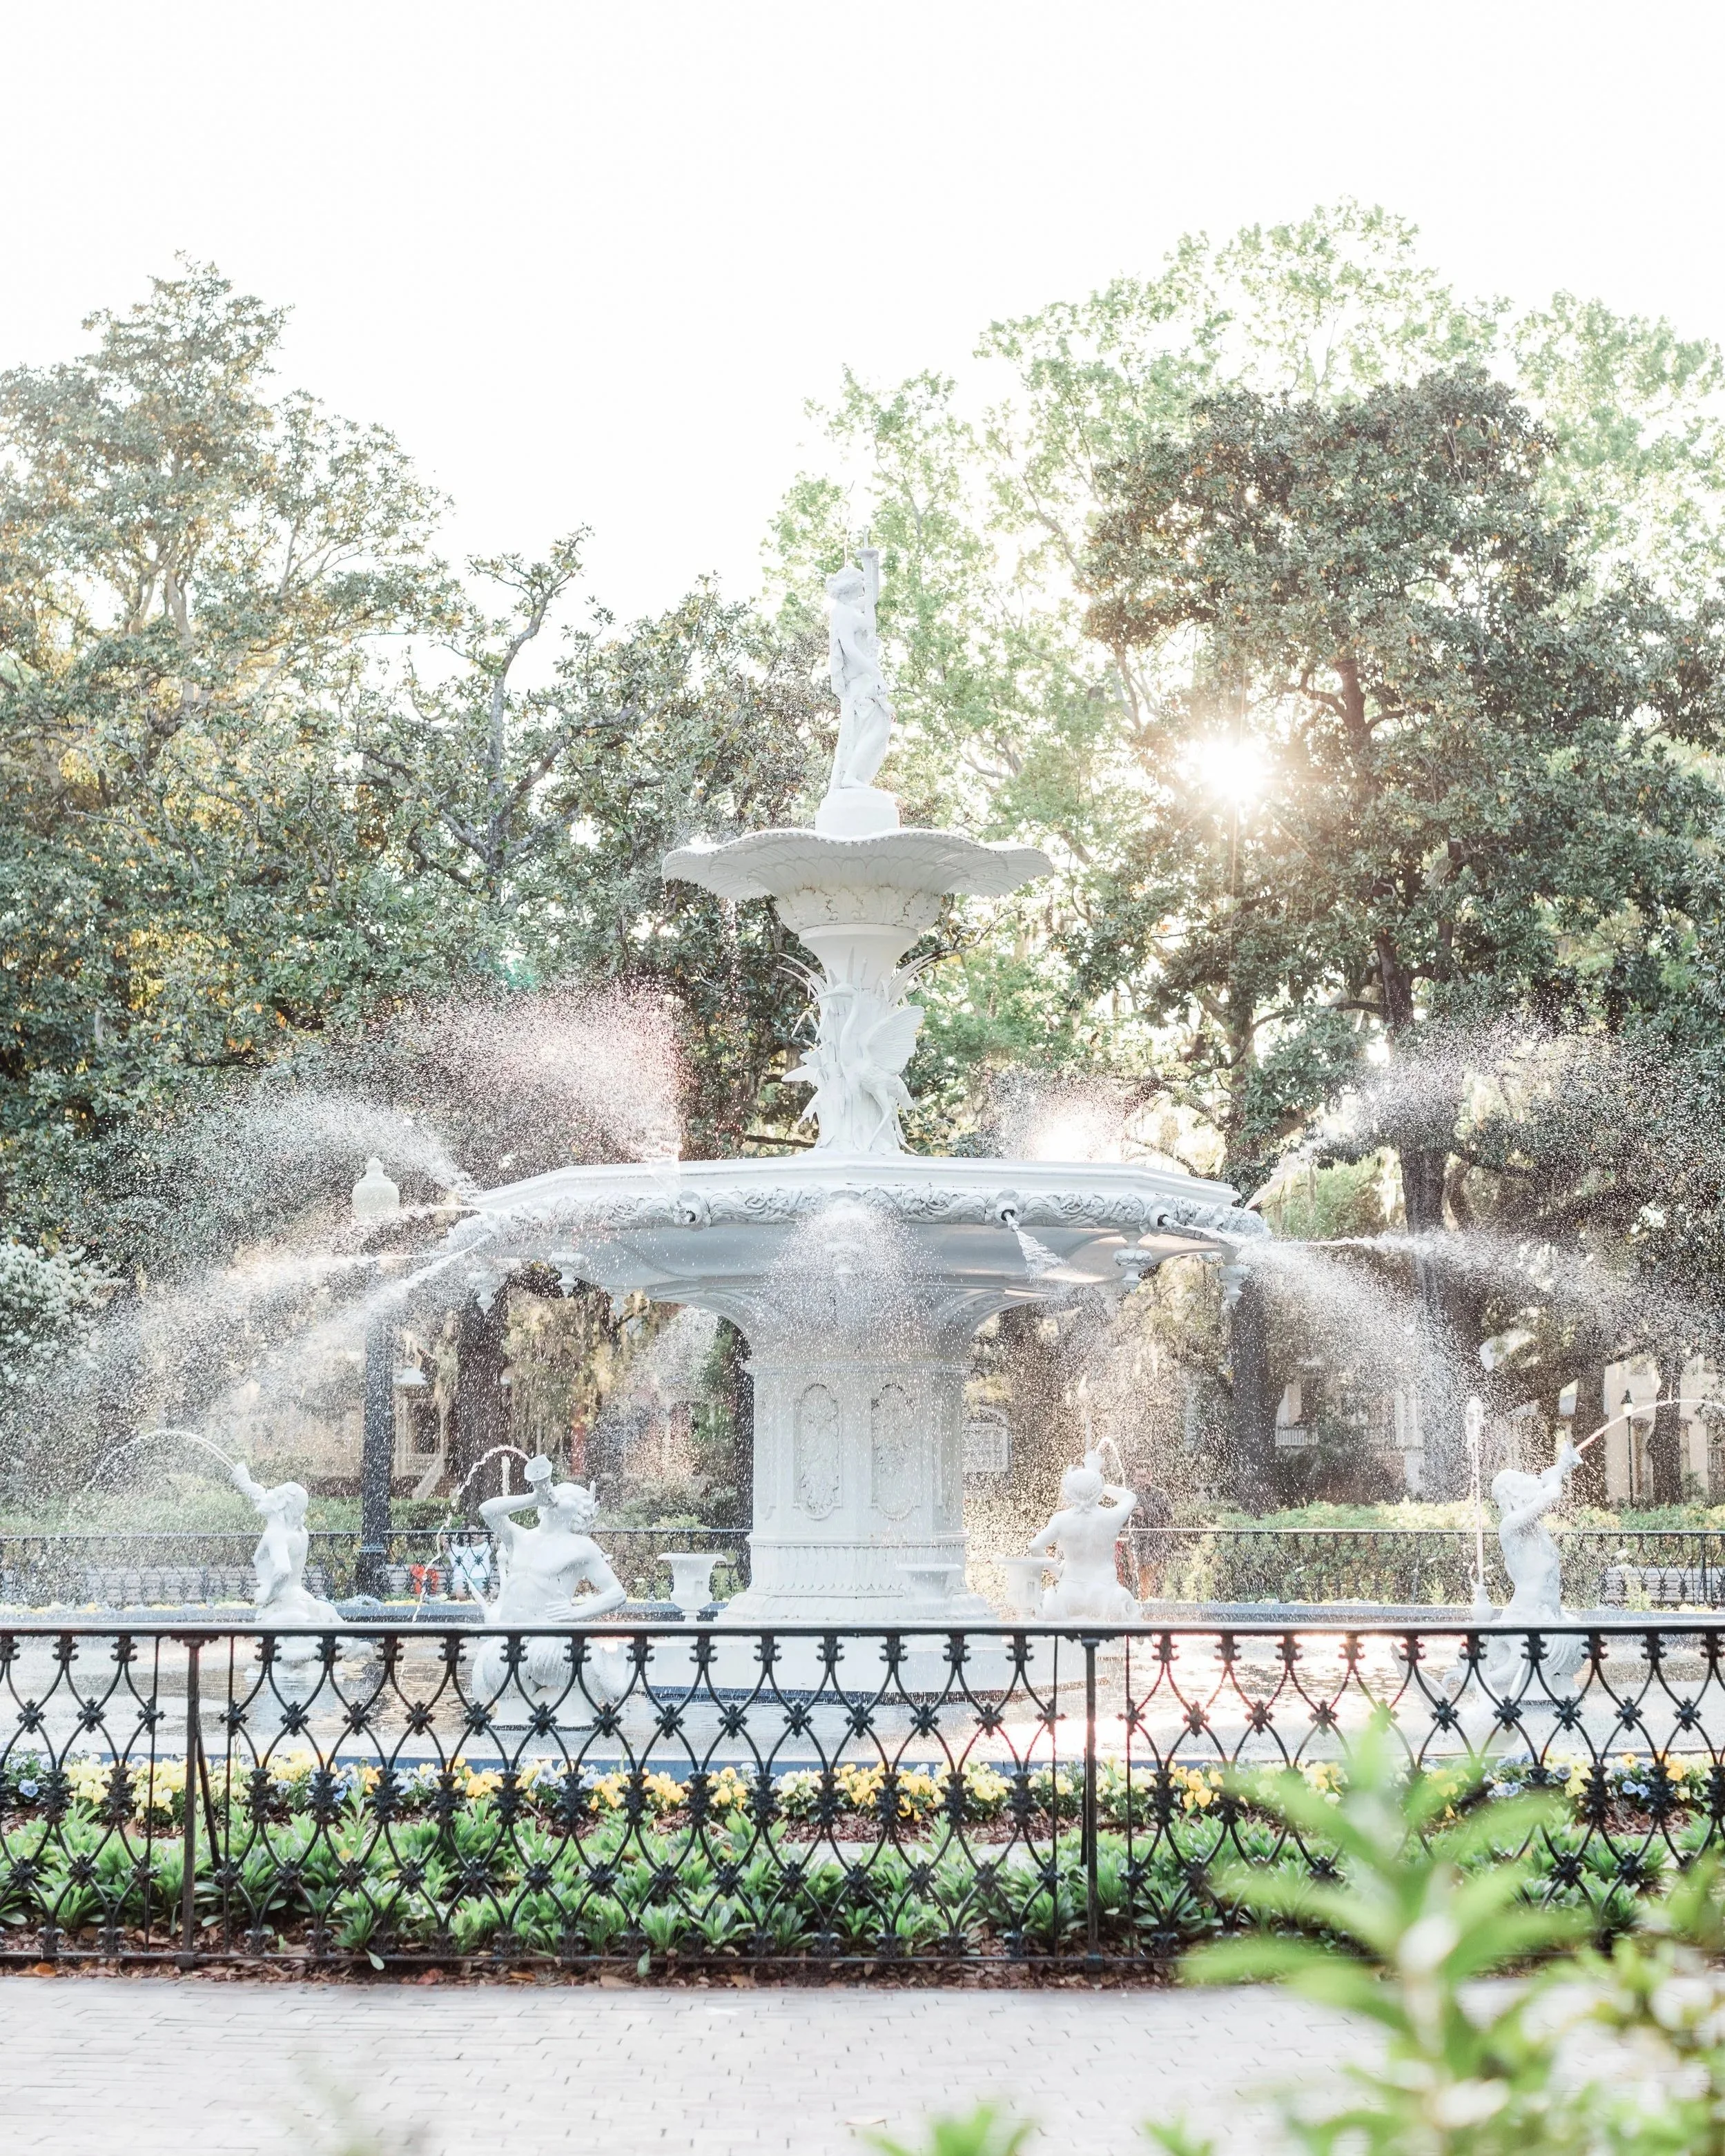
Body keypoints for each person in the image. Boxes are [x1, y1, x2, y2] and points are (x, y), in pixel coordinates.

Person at [472, 1456, 627, 1708]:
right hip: (506, 1641)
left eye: (563, 1494)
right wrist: (533, 1498)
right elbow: (487, 1510)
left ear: (578, 1510)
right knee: (506, 1702)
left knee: (570, 1662)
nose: (555, 1495)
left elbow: (617, 1594)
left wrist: (575, 1614)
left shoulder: (581, 1547)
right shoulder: (519, 1538)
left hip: (548, 1642)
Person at [1029, 1450, 1141, 1621]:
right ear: (1098, 1490)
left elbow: (1034, 1546)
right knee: (1108, 1643)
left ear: (1070, 1491)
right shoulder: (1111, 1518)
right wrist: (1099, 1481)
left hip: (1069, 1591)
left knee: (1067, 1643)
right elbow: (1129, 1497)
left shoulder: (1061, 1519)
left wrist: (1056, 1570)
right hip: (1105, 1592)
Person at [230, 1460, 343, 1627]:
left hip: (280, 1604)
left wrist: (267, 1595)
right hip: (301, 1598)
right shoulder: (300, 1532)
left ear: (281, 1506)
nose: (272, 1494)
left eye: (277, 1494)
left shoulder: (276, 1534)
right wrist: (244, 1481)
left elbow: (283, 1570)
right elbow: (262, 1497)